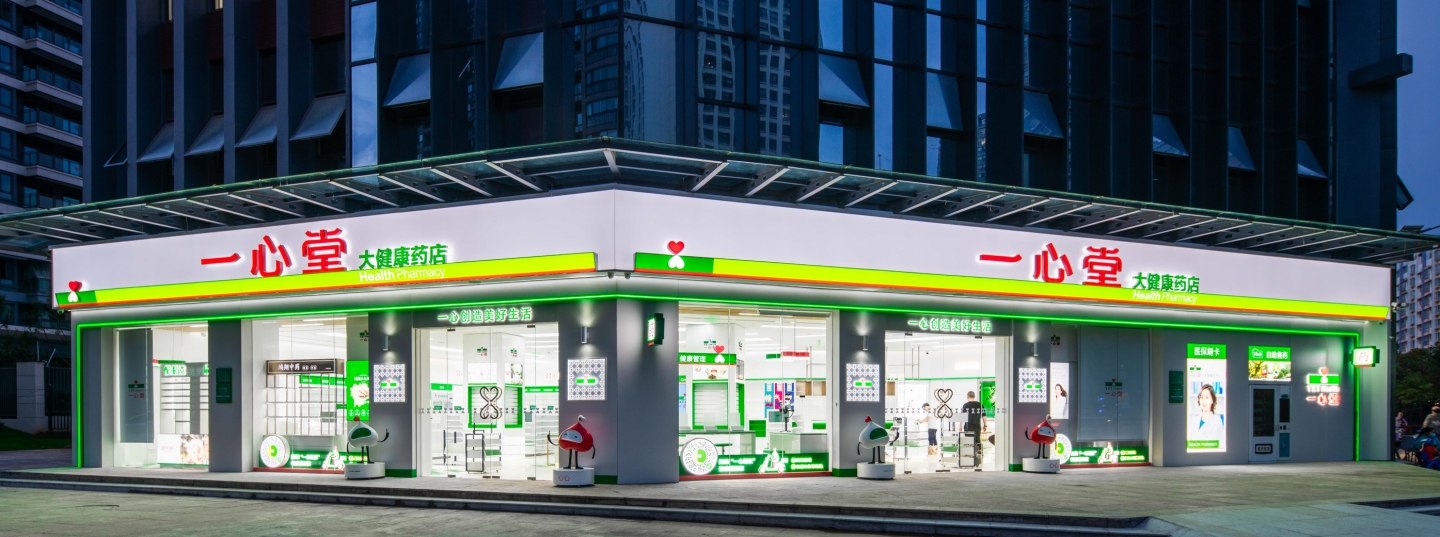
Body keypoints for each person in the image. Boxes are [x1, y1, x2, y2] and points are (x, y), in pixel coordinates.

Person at [961, 391, 986, 470]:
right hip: (977, 426)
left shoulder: (965, 405)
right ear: (974, 396)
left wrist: (960, 426)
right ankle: (979, 458)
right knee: (977, 441)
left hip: (968, 426)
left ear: (967, 396)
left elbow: (962, 416)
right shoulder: (980, 405)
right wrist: (985, 425)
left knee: (969, 442)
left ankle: (970, 458)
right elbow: (984, 416)